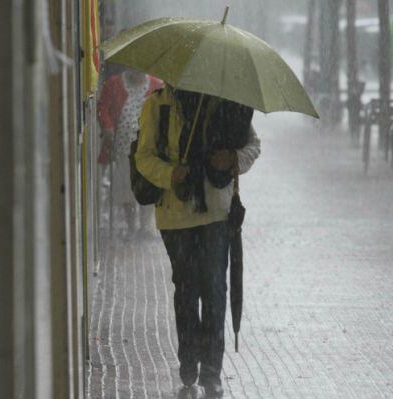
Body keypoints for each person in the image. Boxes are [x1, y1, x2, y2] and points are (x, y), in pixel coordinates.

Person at [135, 86, 260, 398]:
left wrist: (232, 158)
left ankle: (211, 372)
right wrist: (170, 173)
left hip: (216, 214)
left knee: (215, 288)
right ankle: (189, 356)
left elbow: (253, 146)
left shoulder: (224, 102)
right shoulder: (157, 105)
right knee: (187, 287)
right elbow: (143, 156)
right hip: (174, 216)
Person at [97, 68, 163, 239]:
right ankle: (132, 226)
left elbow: (164, 113)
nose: (138, 72)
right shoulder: (113, 84)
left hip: (148, 148)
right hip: (122, 148)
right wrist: (108, 128)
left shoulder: (157, 85)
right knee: (127, 188)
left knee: (147, 184)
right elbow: (102, 108)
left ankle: (146, 226)